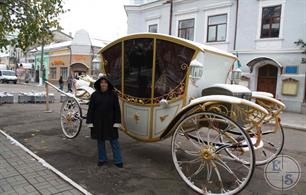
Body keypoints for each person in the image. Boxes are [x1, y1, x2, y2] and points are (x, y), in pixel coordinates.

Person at [86, 76, 123, 168]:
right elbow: (91, 109)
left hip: (110, 122)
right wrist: (90, 122)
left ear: (108, 84)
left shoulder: (113, 94)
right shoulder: (94, 95)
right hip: (98, 122)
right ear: (99, 84)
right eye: (102, 82)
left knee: (114, 142)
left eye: (105, 82)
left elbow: (117, 109)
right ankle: (102, 159)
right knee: (100, 142)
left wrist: (117, 122)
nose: (103, 84)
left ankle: (118, 160)